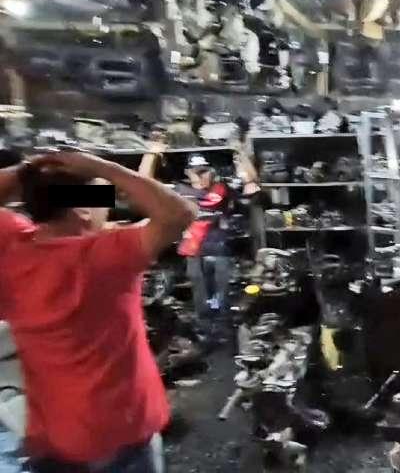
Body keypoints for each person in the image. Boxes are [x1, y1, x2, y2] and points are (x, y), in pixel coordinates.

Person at [0, 150, 196, 472]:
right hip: (122, 435)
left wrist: (29, 169)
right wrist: (102, 167)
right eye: (101, 197)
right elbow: (180, 213)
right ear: (81, 209)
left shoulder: (10, 249)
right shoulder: (105, 255)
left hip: (54, 438)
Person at [176, 148, 259, 338]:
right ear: (187, 172)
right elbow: (143, 184)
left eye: (204, 171)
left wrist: (241, 153)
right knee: (201, 297)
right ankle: (205, 334)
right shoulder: (179, 190)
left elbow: (252, 185)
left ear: (212, 171)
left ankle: (225, 333)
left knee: (223, 296)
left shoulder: (223, 187)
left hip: (220, 250)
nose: (200, 176)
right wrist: (152, 154)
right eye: (195, 172)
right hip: (193, 251)